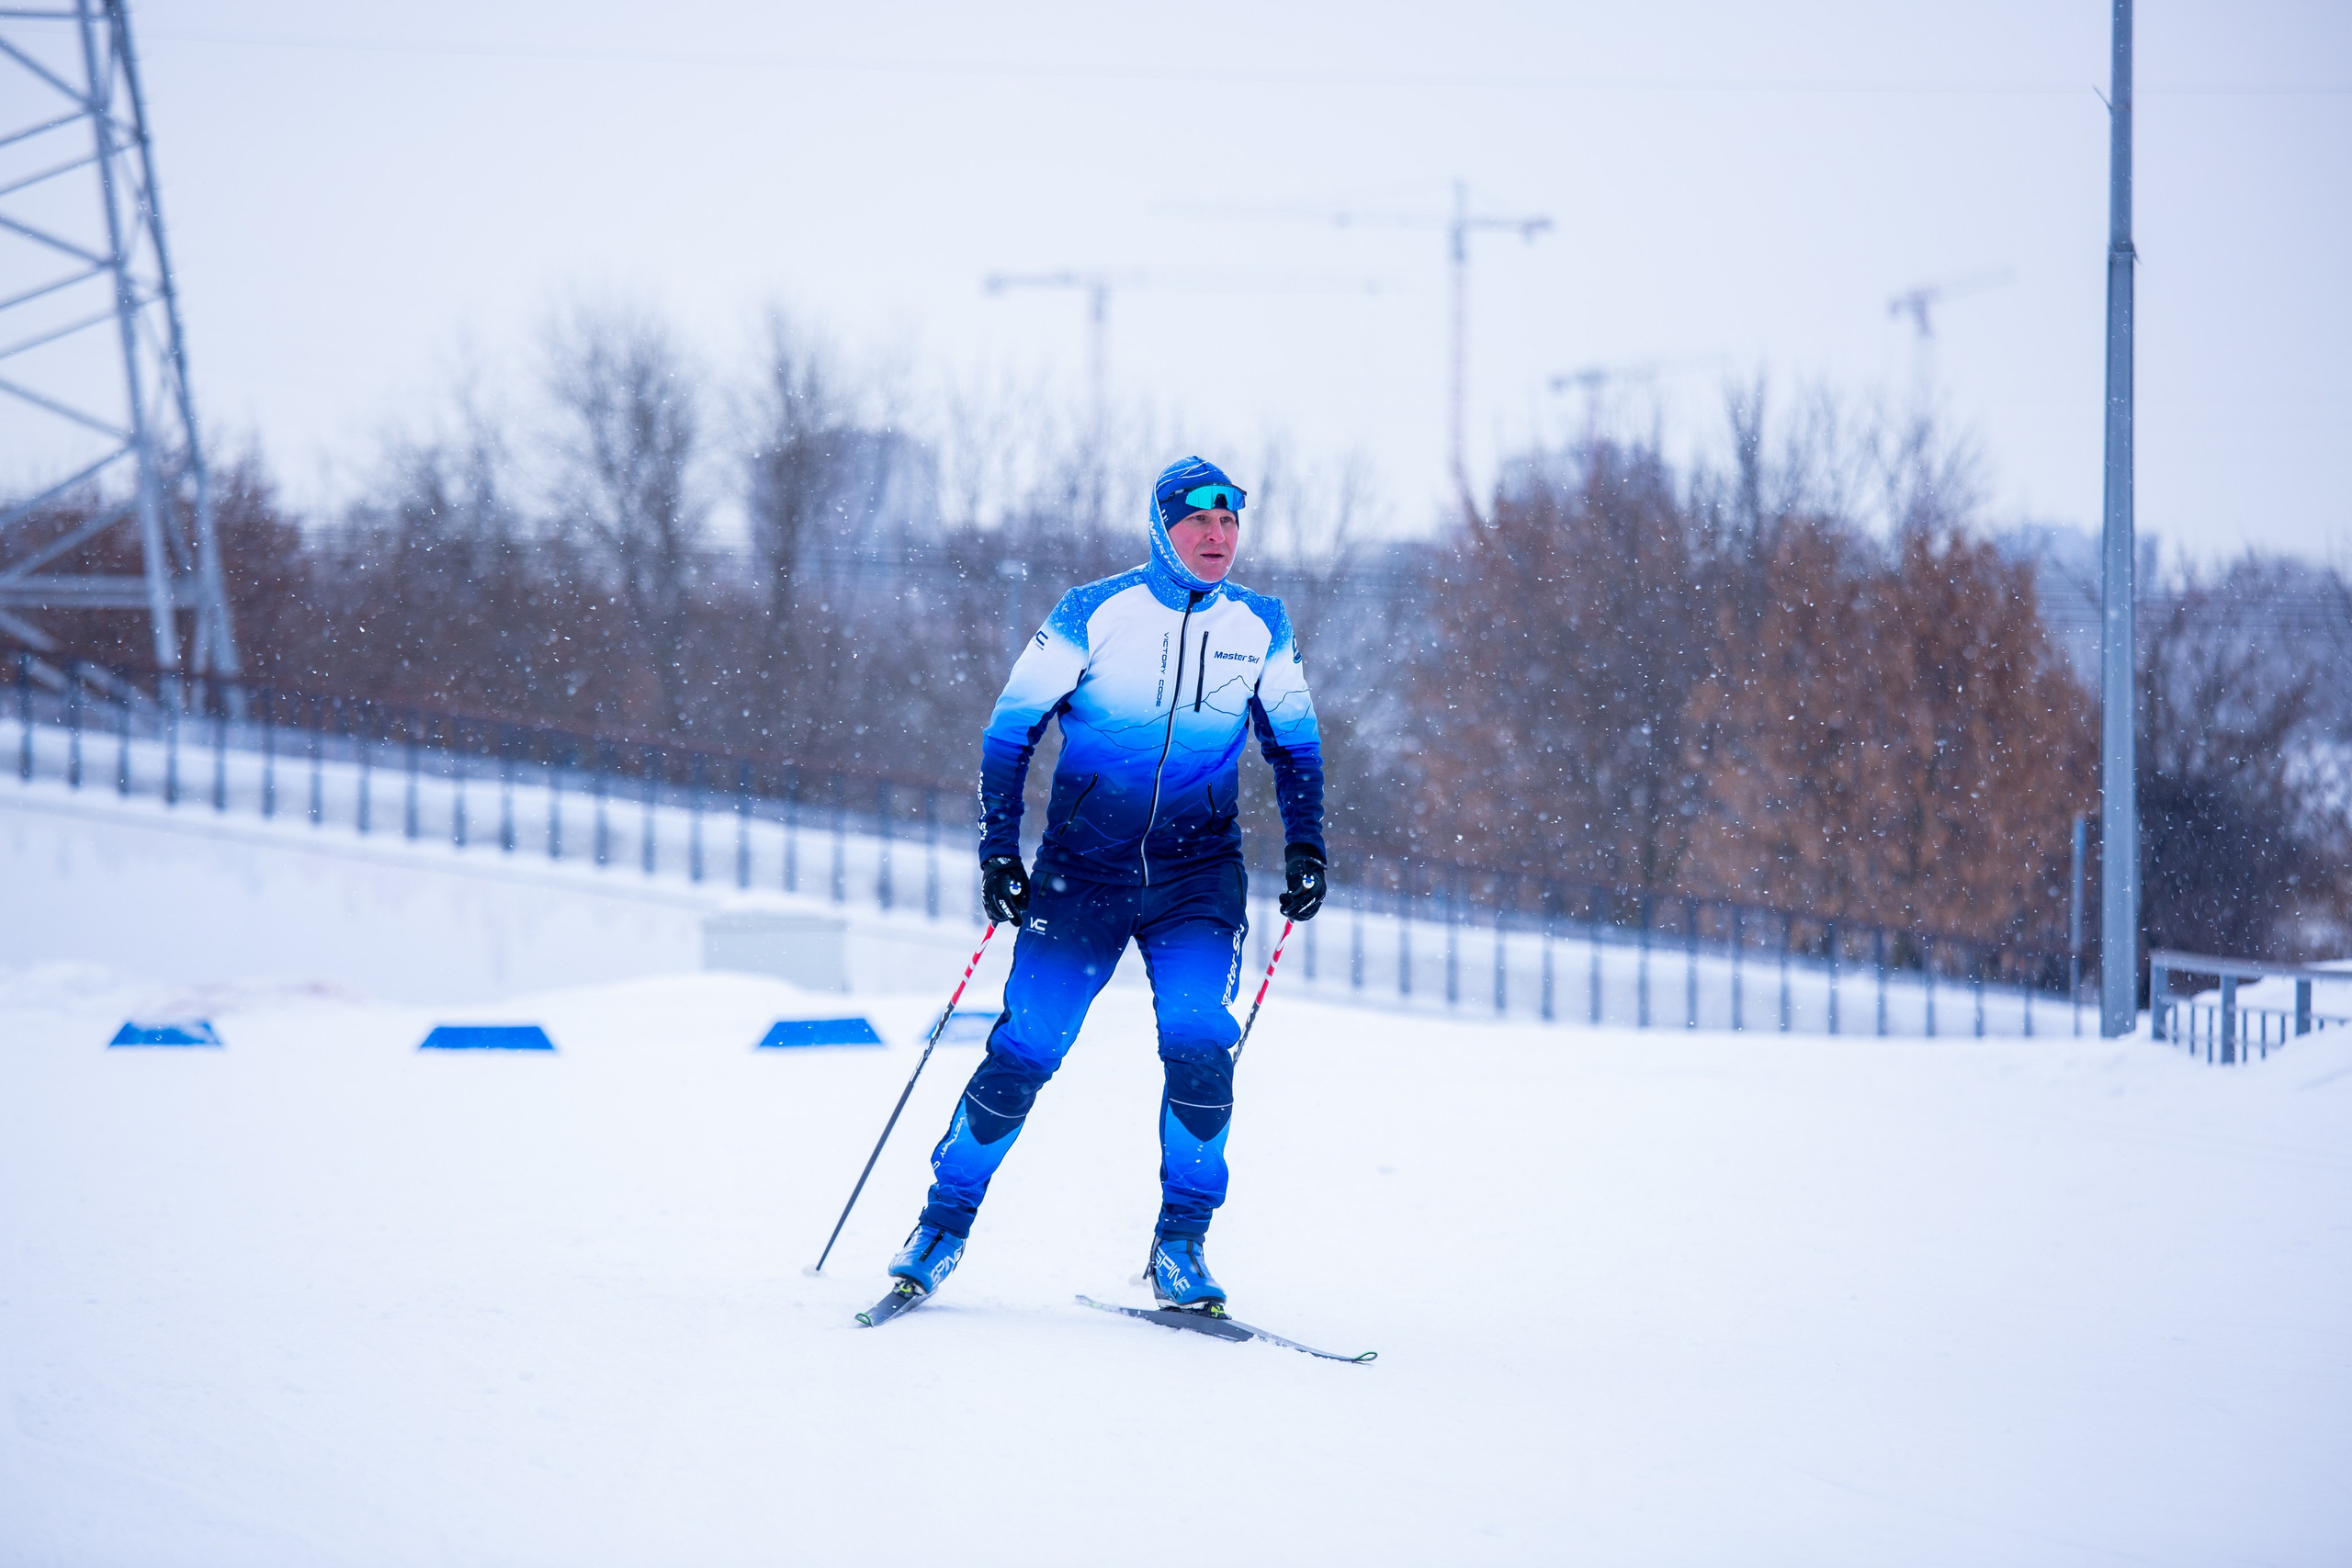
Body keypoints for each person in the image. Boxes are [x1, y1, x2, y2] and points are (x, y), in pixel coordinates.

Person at [884, 456, 1329, 1313]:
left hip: (1198, 876)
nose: (1217, 536)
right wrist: (996, 849)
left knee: (1201, 1045)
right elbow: (1010, 733)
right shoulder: (1094, 612)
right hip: (1083, 872)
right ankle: (941, 1225)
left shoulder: (1261, 625)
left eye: (1230, 521)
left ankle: (1182, 1245)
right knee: (1026, 1051)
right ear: (1163, 527)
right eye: (1198, 521)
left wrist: (1308, 846)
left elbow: (1298, 746)